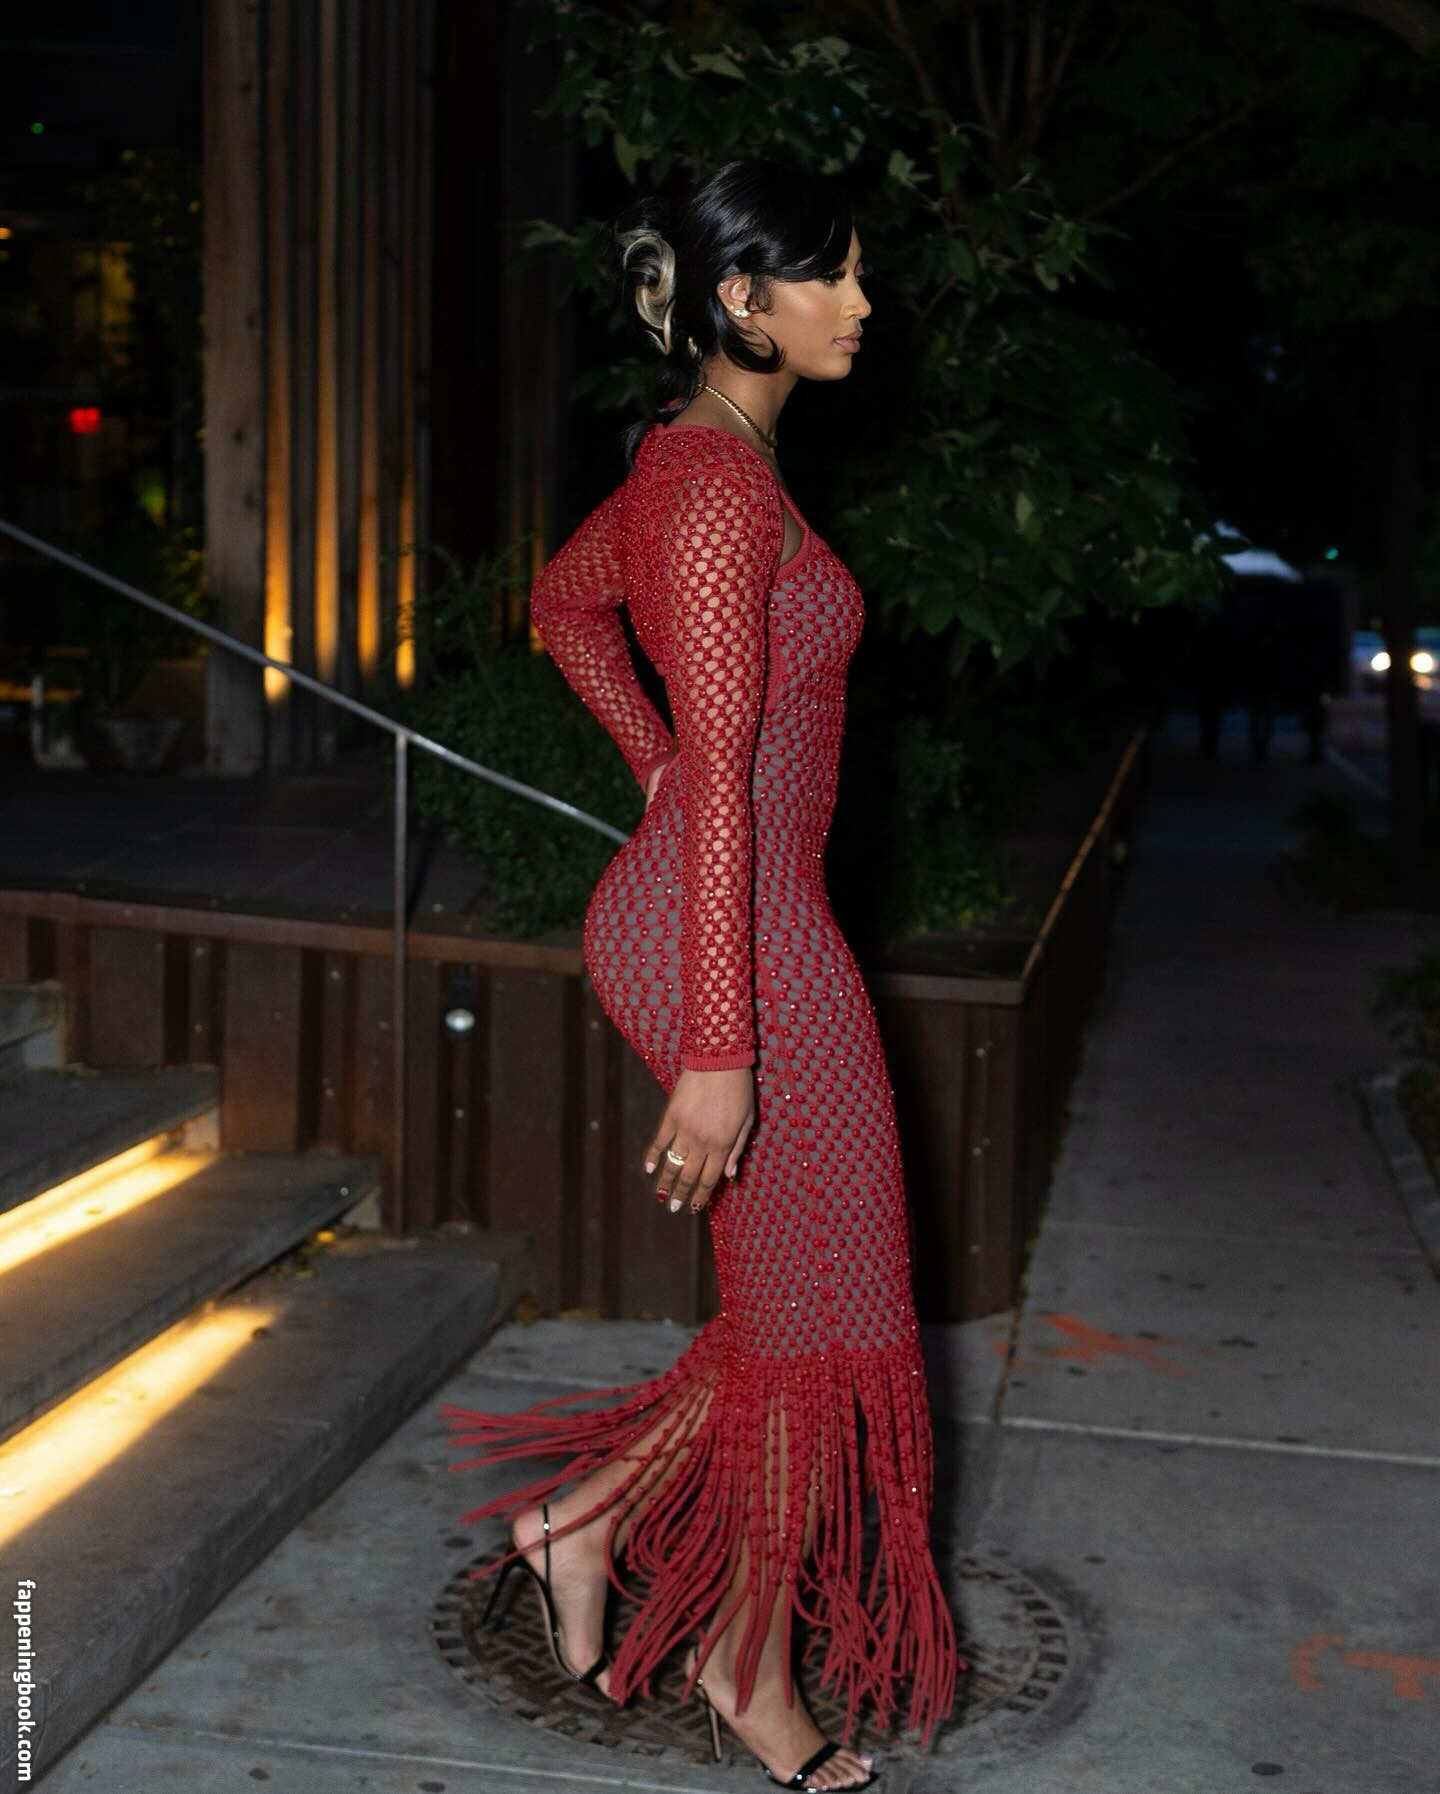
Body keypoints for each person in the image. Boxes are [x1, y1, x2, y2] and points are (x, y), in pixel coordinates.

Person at [440, 157, 961, 1793]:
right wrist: (721, 1048)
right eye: (833, 276)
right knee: (821, 1312)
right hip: (728, 938)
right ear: (743, 297)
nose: (862, 302)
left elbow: (564, 603)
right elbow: (722, 776)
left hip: (741, 912)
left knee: (818, 1304)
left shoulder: (705, 462)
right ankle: (747, 1658)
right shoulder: (719, 488)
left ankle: (585, 1518)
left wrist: (657, 762)